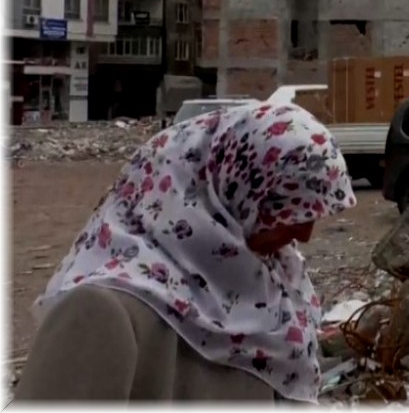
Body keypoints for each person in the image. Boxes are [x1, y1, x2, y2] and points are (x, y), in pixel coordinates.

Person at [13, 103, 357, 403]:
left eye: (309, 214)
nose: (305, 234)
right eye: (285, 210)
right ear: (227, 196)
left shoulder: (277, 290)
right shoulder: (105, 312)